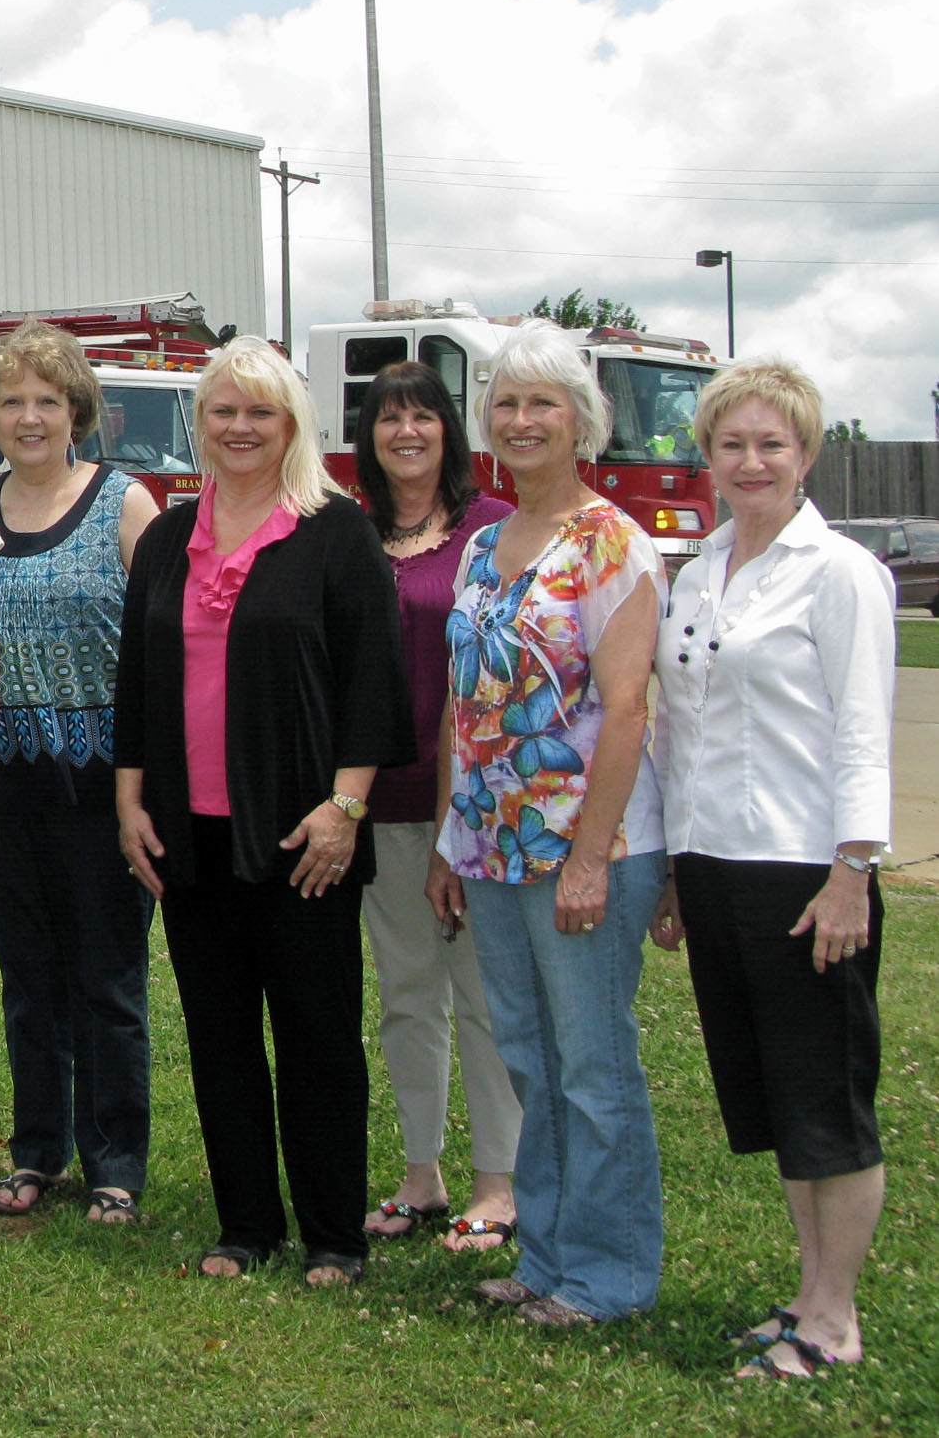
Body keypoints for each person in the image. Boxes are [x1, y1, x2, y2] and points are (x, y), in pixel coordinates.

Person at [114, 336, 409, 1289]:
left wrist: (345, 805)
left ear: (292, 424)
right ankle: (245, 1223)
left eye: (261, 413)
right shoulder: (168, 534)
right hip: (189, 834)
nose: (239, 429)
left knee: (318, 1034)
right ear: (199, 424)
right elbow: (134, 683)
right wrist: (129, 802)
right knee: (220, 1032)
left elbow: (374, 677)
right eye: (222, 412)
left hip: (301, 833)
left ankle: (333, 1233)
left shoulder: (335, 530)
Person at [650, 358, 892, 1382]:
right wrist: (670, 869)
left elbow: (860, 734)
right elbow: (678, 729)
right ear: (704, 455)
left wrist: (850, 870)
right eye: (730, 443)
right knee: (769, 1097)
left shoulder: (836, 572)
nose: (749, 462)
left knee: (822, 1097)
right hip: (714, 868)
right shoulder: (698, 570)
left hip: (803, 874)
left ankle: (832, 1319)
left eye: (770, 444)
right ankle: (803, 1292)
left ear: (804, 455)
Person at [429, 322, 671, 1329]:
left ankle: (607, 1277)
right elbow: (463, 700)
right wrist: (452, 837)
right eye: (505, 403)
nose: (520, 420)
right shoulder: (482, 544)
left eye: (542, 404)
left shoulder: (612, 541)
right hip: (490, 845)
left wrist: (586, 857)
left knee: (591, 1065)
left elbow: (623, 710)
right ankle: (547, 1256)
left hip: (585, 846)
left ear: (581, 422)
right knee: (526, 1055)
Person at [0, 322, 163, 1225]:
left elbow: (166, 651)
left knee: (108, 981)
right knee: (28, 979)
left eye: (47, 399)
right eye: (12, 401)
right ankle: (37, 1151)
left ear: (77, 408)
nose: (30, 416)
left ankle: (115, 1161)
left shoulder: (126, 504)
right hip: (8, 781)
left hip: (104, 786)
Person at [348, 363, 522, 1253]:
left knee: (482, 995)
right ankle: (422, 1173)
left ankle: (499, 1181)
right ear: (367, 437)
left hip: (473, 810)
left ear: (449, 431)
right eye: (388, 419)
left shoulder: (491, 531)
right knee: (406, 994)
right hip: (378, 804)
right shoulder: (351, 531)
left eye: (422, 416)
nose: (406, 432)